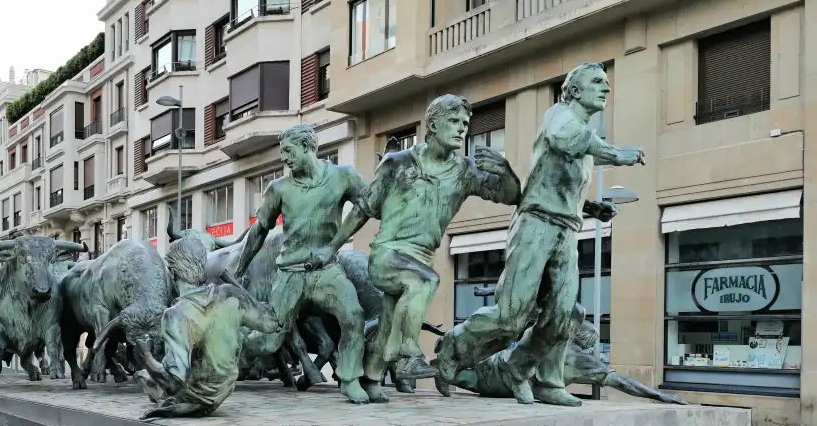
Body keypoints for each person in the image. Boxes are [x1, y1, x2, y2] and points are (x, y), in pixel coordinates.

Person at [435, 63, 645, 406]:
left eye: (607, 84)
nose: (606, 89)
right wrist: (616, 154)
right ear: (575, 91)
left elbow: (554, 180)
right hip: (536, 225)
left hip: (566, 229)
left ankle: (543, 379)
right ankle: (453, 345)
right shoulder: (560, 117)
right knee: (512, 314)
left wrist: (590, 208)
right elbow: (565, 142)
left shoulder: (583, 138)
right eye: (597, 82)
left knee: (562, 316)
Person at [311, 94, 522, 393]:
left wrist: (505, 171)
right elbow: (363, 209)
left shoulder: (464, 171)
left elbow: (510, 196)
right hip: (387, 253)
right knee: (423, 283)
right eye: (454, 122)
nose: (462, 129)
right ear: (433, 125)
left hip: (423, 256)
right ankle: (408, 354)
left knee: (389, 320)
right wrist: (331, 248)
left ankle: (371, 377)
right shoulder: (397, 163)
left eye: (465, 123)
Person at [233, 123, 374, 404]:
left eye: (288, 151)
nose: (283, 158)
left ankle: (349, 378)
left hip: (327, 270)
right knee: (268, 339)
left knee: (354, 315)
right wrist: (239, 268)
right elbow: (259, 231)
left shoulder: (342, 177)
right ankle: (226, 350)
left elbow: (368, 205)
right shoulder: (278, 189)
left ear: (307, 147)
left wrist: (333, 245)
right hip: (289, 273)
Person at [128, 236, 281, 419]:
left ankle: (147, 379)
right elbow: (271, 323)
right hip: (225, 388)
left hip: (197, 396)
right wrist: (249, 299)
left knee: (146, 375)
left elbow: (174, 382)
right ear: (202, 266)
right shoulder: (230, 294)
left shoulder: (175, 315)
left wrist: (146, 357)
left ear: (172, 272)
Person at [443, 303, 685, 405]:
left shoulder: (546, 336)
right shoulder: (581, 360)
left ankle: (441, 368)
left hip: (498, 366)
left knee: (461, 374)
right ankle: (443, 370)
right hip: (498, 385)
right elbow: (621, 381)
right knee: (467, 379)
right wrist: (658, 395)